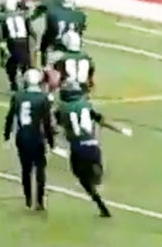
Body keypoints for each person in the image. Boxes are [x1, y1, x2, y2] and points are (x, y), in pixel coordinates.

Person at [55, 79, 132, 217]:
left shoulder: (61, 109)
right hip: (93, 146)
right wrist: (121, 129)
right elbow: (101, 120)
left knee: (82, 178)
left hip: (77, 148)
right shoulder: (85, 105)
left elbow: (57, 125)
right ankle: (98, 177)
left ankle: (98, 201)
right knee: (95, 169)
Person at [3, 69, 53, 210]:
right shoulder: (43, 98)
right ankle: (40, 200)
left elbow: (10, 117)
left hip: (22, 136)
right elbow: (47, 122)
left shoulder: (18, 96)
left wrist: (7, 135)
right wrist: (50, 140)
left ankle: (28, 199)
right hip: (37, 136)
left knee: (26, 169)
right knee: (40, 168)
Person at [0, 0, 33, 91]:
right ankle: (27, 84)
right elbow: (30, 30)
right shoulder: (22, 15)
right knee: (24, 63)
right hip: (23, 40)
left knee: (11, 64)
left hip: (13, 41)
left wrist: (2, 46)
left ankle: (15, 84)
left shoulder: (2, 17)